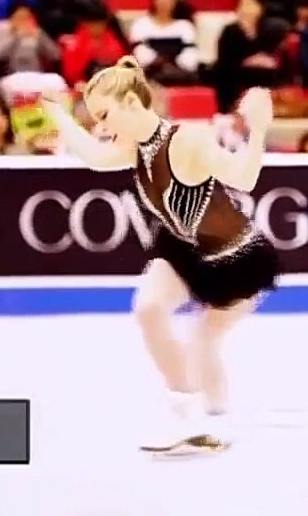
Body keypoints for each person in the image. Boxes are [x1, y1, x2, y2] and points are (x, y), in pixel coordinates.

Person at [38, 57, 280, 453]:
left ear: (132, 102)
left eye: (104, 115)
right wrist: (58, 116)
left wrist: (259, 130)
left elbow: (245, 178)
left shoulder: (187, 140)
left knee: (204, 340)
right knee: (149, 308)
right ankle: (186, 418)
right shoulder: (136, 148)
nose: (100, 126)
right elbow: (96, 158)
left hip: (236, 257)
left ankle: (216, 423)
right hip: (181, 247)